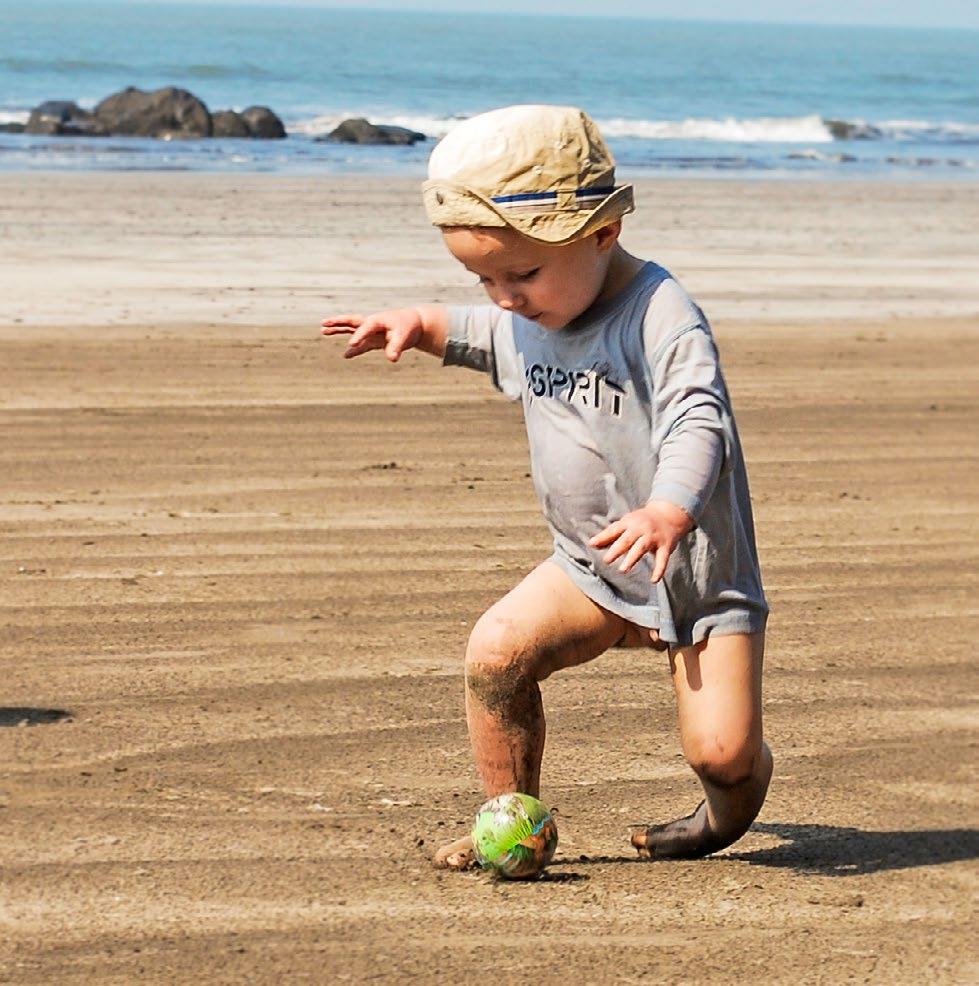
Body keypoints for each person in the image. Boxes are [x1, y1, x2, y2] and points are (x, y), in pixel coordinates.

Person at [322, 105, 772, 869]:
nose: (504, 296)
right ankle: (509, 819)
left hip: (692, 578)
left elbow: (701, 419)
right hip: (588, 569)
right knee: (496, 655)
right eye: (482, 277)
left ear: (602, 233)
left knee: (721, 751)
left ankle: (719, 817)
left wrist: (669, 509)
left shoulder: (660, 315)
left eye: (520, 273)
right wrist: (415, 323)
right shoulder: (531, 307)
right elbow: (478, 331)